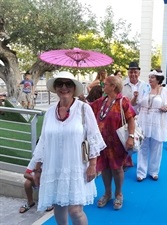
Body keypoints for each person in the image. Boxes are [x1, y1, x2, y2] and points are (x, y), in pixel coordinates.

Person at [32, 71, 106, 225]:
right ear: (55, 87)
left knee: (75, 210)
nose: (64, 87)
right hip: (54, 167)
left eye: (68, 84)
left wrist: (93, 165)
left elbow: (93, 138)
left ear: (74, 87)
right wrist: (37, 169)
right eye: (60, 84)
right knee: (58, 206)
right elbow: (43, 142)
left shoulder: (84, 109)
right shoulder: (50, 112)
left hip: (77, 167)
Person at [90, 76, 136, 210]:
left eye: (106, 84)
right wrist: (79, 97)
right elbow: (89, 107)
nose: (103, 86)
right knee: (104, 168)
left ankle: (118, 194)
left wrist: (131, 137)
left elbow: (131, 120)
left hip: (117, 143)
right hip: (102, 143)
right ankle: (107, 193)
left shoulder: (123, 101)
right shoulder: (102, 101)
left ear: (113, 87)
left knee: (117, 169)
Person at [136, 70, 167, 181]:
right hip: (144, 120)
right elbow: (138, 103)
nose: (150, 79)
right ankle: (141, 172)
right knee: (143, 146)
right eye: (149, 77)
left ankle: (154, 171)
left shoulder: (164, 90)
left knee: (156, 147)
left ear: (158, 79)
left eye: (152, 77)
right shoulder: (145, 89)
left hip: (158, 121)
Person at [122, 62, 150, 168]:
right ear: (128, 73)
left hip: (141, 115)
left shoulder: (145, 85)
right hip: (126, 116)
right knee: (125, 137)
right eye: (131, 72)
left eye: (135, 72)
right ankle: (126, 160)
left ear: (139, 73)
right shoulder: (122, 85)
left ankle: (141, 164)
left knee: (140, 139)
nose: (133, 74)